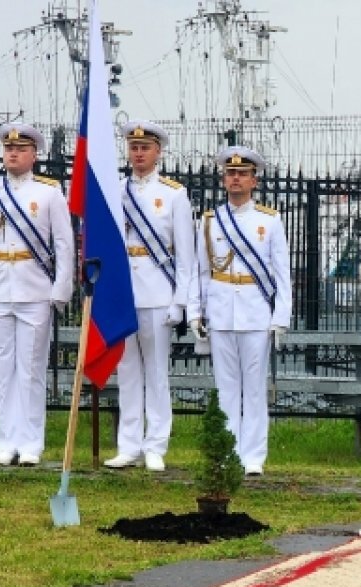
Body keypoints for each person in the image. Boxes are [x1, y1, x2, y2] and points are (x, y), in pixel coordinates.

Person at [0, 123, 75, 466]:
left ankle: (30, 444)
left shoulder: (49, 193)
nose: (13, 153)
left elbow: (64, 244)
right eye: (9, 149)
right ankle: (6, 441)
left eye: (21, 149)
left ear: (34, 155)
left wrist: (61, 288)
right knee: (3, 367)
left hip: (34, 287)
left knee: (31, 368)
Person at [188, 145, 291, 476]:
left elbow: (283, 276)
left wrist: (280, 319)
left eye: (242, 174)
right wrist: (195, 312)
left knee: (255, 388)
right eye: (230, 173)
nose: (235, 178)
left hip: (255, 311)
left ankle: (253, 457)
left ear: (254, 181)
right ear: (223, 179)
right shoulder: (209, 221)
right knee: (226, 388)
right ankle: (227, 451)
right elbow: (200, 271)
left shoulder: (269, 221)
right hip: (220, 312)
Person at [103, 121, 196, 473]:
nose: (138, 154)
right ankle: (128, 445)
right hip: (124, 292)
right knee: (127, 372)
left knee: (156, 373)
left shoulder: (174, 194)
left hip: (159, 292)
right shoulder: (117, 192)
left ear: (158, 152)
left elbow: (185, 256)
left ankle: (155, 444)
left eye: (145, 148)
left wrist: (180, 301)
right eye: (133, 148)